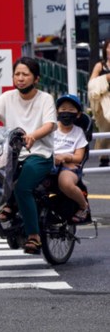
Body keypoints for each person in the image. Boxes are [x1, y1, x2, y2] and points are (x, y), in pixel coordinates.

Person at [0, 56, 56, 255]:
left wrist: (34, 135)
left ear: (36, 79)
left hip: (39, 154)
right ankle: (8, 207)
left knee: (23, 187)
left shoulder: (45, 99)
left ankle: (34, 236)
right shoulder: (7, 97)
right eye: (17, 74)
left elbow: (50, 124)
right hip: (12, 153)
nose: (20, 78)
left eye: (25, 74)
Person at [52, 94, 91, 224]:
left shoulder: (78, 132)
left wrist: (65, 157)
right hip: (47, 162)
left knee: (65, 183)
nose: (66, 113)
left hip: (69, 166)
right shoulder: (50, 128)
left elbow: (79, 157)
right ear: (57, 112)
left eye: (71, 110)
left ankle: (83, 206)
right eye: (63, 109)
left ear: (78, 114)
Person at [88, 39, 110, 167]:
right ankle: (104, 155)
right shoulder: (100, 66)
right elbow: (92, 84)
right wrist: (105, 79)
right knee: (106, 127)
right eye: (108, 47)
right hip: (104, 102)